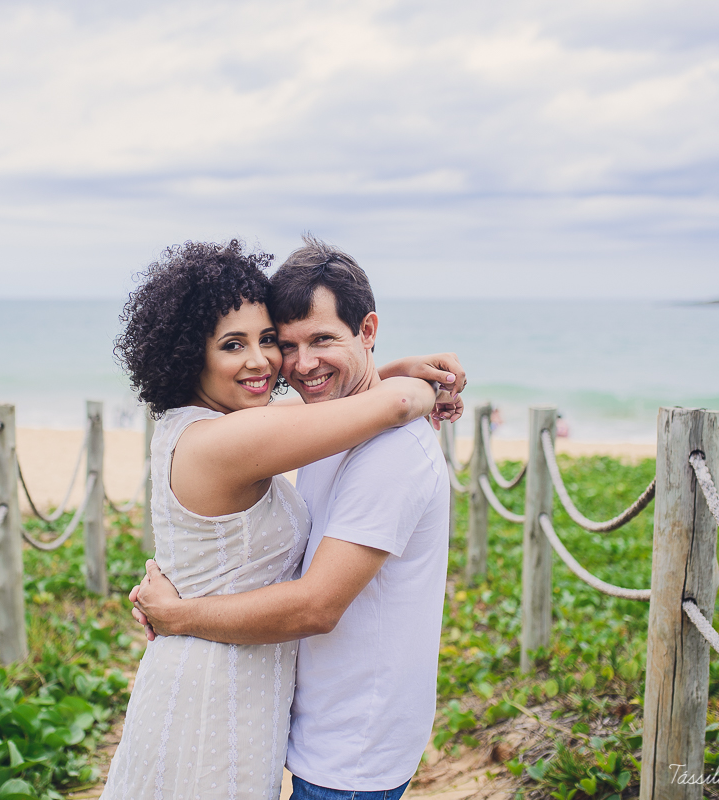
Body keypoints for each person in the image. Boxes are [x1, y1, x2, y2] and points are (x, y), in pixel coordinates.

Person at [101, 239, 464, 800]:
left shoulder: (213, 426)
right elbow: (380, 406)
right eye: (233, 344)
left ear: (365, 329)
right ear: (191, 354)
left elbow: (326, 400)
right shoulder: (228, 440)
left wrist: (390, 369)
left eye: (266, 340)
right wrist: (419, 385)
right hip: (213, 695)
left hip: (268, 704)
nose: (265, 361)